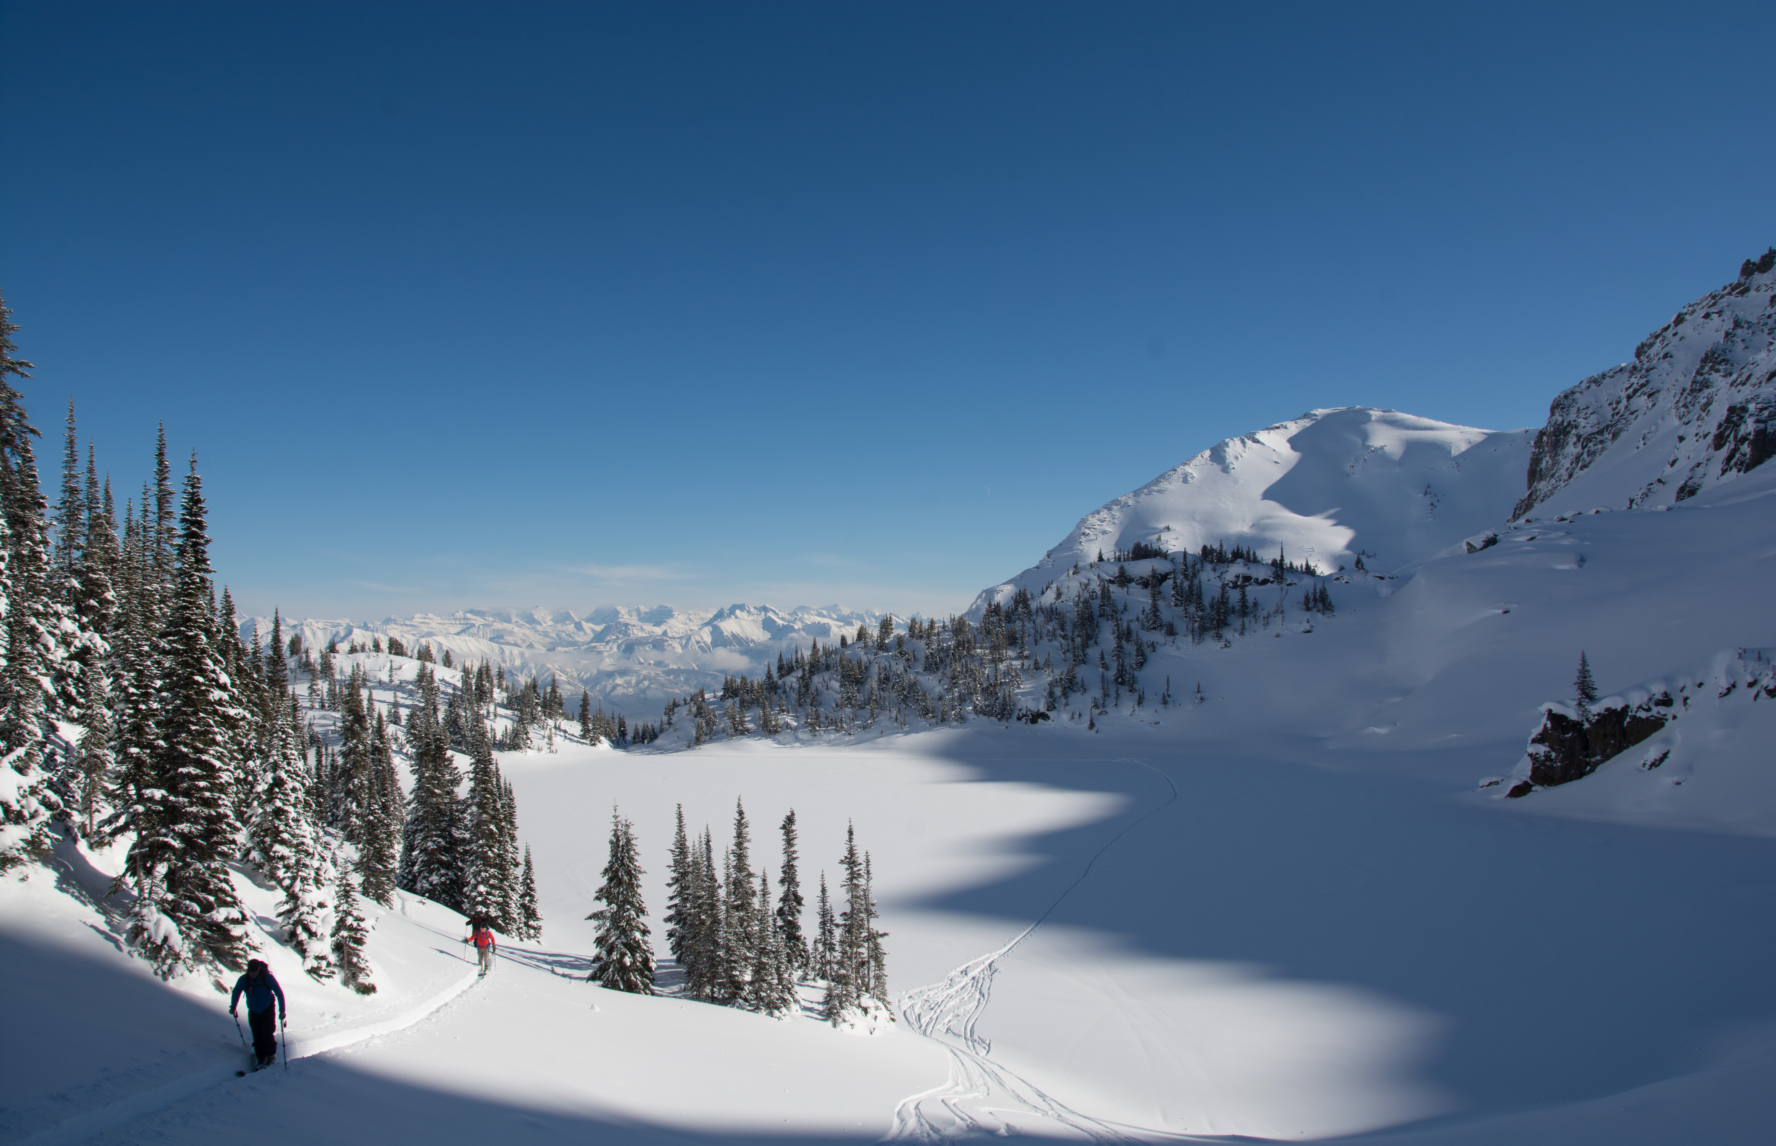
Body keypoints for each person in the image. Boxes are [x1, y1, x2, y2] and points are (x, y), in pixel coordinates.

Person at [229, 958, 287, 1068]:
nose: (252, 974)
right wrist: (233, 1006)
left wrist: (282, 1011)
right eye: (250, 972)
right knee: (256, 1034)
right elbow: (236, 992)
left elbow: (279, 992)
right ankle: (260, 1058)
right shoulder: (244, 980)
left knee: (267, 1032)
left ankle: (270, 1057)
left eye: (254, 972)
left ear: (258, 969)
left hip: (267, 1008)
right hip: (253, 1010)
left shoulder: (267, 978)